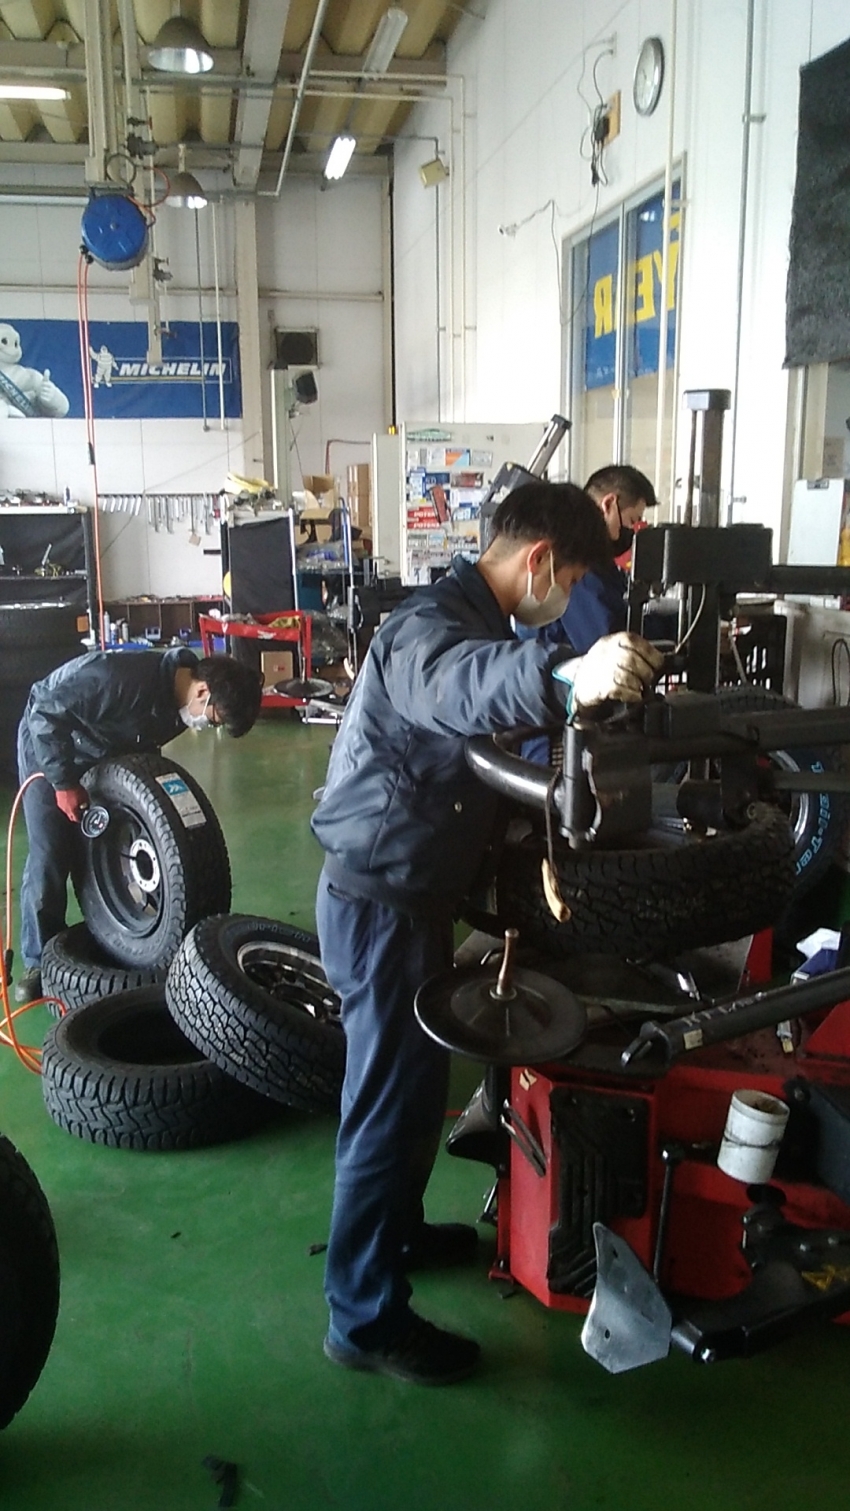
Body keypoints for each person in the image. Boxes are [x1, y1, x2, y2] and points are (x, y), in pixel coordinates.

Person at [310, 480, 664, 1387]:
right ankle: (362, 1317)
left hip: (412, 897)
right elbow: (461, 685)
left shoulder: (479, 615)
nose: (567, 596)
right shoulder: (427, 630)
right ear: (541, 561)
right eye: (572, 578)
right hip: (379, 903)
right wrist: (565, 673)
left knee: (415, 1090)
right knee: (386, 1108)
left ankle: (395, 1235)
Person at [15, 647, 262, 1004]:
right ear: (203, 690)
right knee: (51, 850)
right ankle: (39, 960)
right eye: (214, 720)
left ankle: (121, 923)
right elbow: (46, 712)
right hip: (50, 741)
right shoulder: (119, 678)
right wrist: (63, 783)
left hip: (101, 748)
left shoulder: (178, 704)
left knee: (113, 838)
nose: (209, 727)